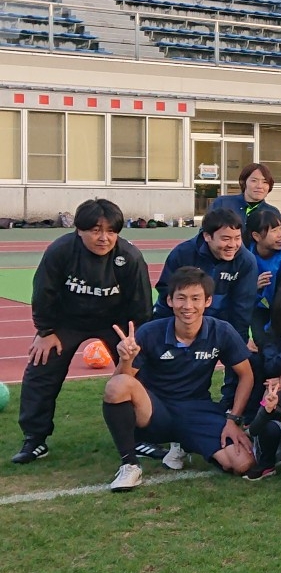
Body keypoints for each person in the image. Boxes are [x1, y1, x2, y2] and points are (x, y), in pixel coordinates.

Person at [13, 199, 152, 465]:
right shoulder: (61, 251)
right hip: (68, 320)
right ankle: (35, 438)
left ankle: (144, 435)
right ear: (79, 229)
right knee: (41, 366)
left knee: (141, 369)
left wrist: (136, 341)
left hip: (115, 322)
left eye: (111, 231)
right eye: (96, 230)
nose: (104, 238)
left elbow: (142, 304)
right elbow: (44, 292)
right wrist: (45, 331)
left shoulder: (130, 257)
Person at [101, 267, 256, 491]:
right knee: (118, 385)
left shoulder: (221, 331)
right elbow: (117, 387)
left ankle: (186, 444)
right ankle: (130, 465)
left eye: (196, 298)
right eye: (181, 298)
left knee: (242, 463)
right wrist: (126, 360)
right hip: (155, 411)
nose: (188, 306)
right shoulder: (150, 332)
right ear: (170, 300)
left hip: (196, 409)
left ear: (208, 301)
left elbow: (246, 375)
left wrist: (233, 419)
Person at [155, 209, 257, 344]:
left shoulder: (246, 261)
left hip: (219, 324)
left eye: (237, 238)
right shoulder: (183, 253)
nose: (232, 245)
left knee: (248, 357)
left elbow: (242, 307)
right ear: (207, 236)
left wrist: (239, 341)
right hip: (181, 320)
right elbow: (166, 291)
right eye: (225, 239)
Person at [246, 208, 281, 341]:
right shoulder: (244, 254)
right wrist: (252, 287)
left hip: (280, 311)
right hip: (253, 307)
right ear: (256, 236)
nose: (280, 234)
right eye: (273, 231)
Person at [209, 163, 281, 226]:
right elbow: (204, 234)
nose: (259, 186)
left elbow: (280, 239)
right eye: (254, 181)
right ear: (243, 182)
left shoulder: (272, 212)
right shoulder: (222, 203)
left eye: (265, 182)